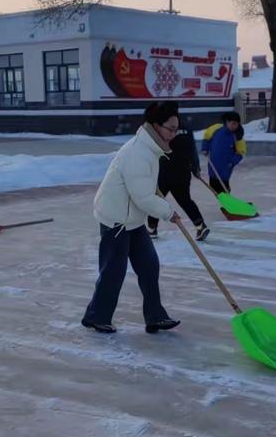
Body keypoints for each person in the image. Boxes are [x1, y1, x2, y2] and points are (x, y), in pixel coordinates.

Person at [81, 101, 181, 334]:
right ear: (156, 126)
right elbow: (143, 198)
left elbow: (142, 190)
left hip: (132, 220)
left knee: (149, 266)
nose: (174, 134)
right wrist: (168, 212)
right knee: (114, 271)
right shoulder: (138, 152)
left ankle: (155, 316)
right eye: (171, 128)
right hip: (116, 219)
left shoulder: (150, 148)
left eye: (177, 129)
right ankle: (96, 316)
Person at [145, 103, 210, 242]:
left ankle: (151, 228)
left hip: (164, 171)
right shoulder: (186, 127)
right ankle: (200, 225)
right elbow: (192, 149)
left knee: (156, 200)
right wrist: (195, 168)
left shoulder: (163, 127)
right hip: (183, 172)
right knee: (185, 200)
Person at [201, 111, 246, 194]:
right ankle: (224, 203)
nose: (235, 126)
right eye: (233, 123)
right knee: (213, 184)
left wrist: (232, 162)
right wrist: (205, 148)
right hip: (213, 163)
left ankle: (227, 204)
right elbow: (206, 137)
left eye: (237, 124)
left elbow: (240, 153)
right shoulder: (216, 128)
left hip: (226, 165)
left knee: (223, 186)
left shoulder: (237, 136)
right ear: (227, 122)